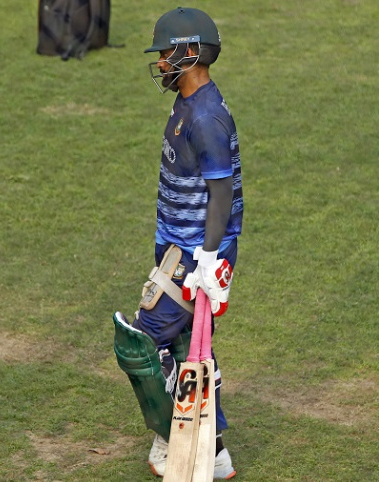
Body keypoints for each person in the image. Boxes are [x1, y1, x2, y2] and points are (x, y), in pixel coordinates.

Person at [118, 6, 243, 480]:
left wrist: (208, 257)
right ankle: (211, 451)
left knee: (144, 341)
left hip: (193, 252)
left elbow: (222, 192)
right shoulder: (187, 103)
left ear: (191, 53)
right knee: (196, 349)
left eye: (168, 53)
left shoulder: (207, 116)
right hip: (177, 245)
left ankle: (177, 436)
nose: (162, 62)